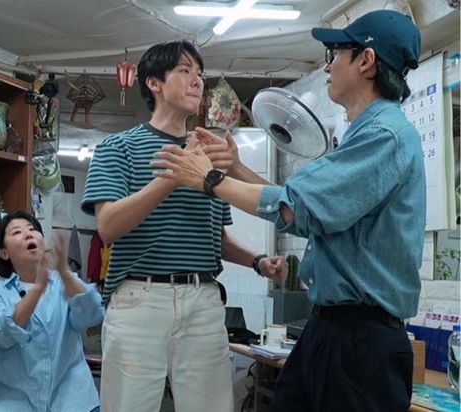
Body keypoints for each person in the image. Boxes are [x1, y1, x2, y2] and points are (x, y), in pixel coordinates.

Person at [151, 10, 424, 412]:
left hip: (360, 340)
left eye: (335, 53)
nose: (327, 66)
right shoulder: (365, 134)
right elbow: (303, 203)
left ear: (366, 61)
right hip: (331, 329)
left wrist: (209, 180)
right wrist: (235, 168)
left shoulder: (384, 136)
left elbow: (297, 208)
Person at [81, 40, 287, 412]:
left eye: (200, 73)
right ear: (154, 83)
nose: (197, 81)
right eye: (184, 70)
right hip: (139, 297)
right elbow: (108, 227)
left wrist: (257, 261)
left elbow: (215, 237)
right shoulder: (118, 147)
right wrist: (173, 177)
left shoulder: (211, 156)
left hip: (203, 299)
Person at [0, 211, 103, 412]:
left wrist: (64, 271)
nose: (28, 234)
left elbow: (92, 314)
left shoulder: (64, 281)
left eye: (32, 229)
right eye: (17, 232)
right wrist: (37, 290)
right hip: (11, 403)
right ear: (4, 253)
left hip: (72, 399)